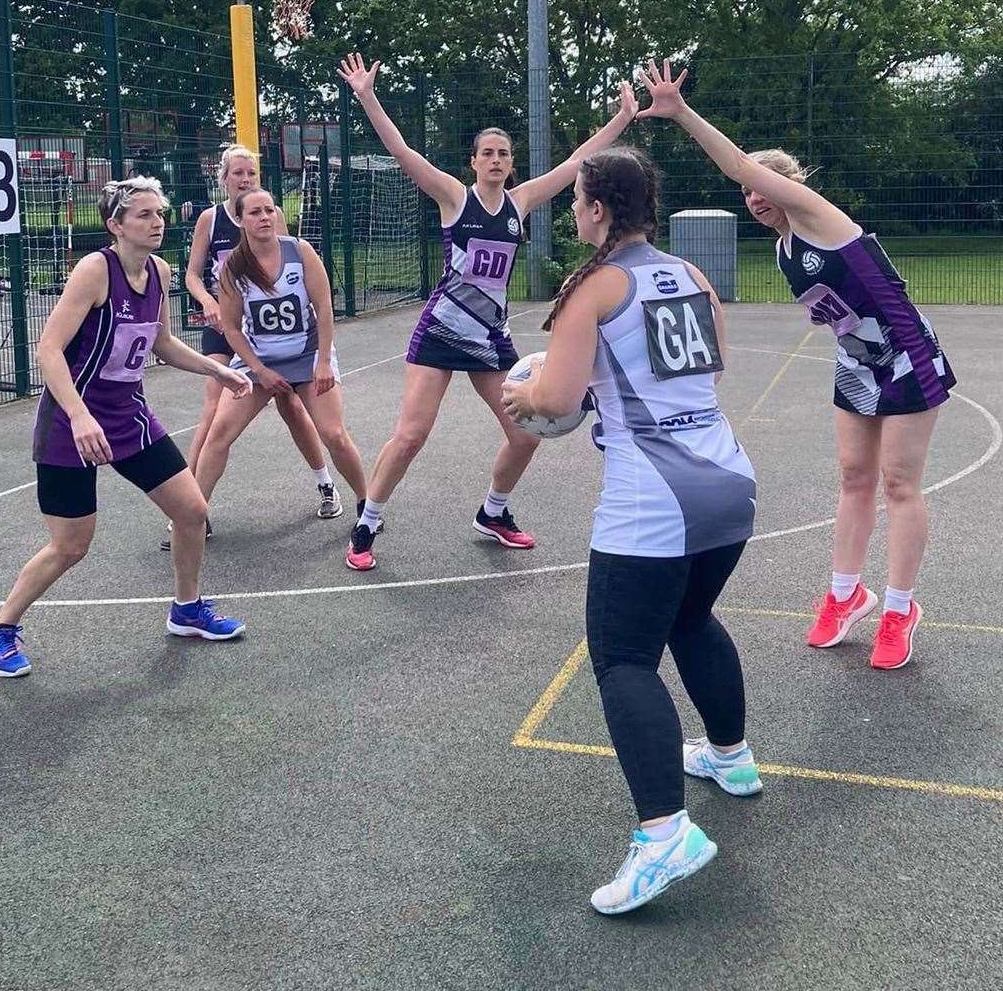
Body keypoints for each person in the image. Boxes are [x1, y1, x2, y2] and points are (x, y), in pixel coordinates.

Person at [502, 147, 761, 914]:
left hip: (656, 495)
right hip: (727, 478)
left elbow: (553, 398)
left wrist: (521, 396)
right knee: (690, 616)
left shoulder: (593, 287)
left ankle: (663, 834)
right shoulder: (691, 275)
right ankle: (731, 757)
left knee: (621, 660)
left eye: (577, 200)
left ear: (598, 209)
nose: (573, 212)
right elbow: (706, 372)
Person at [637, 59, 956, 670]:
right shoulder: (785, 246)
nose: (754, 196)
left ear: (791, 185)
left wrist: (679, 113)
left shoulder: (815, 215)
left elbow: (737, 163)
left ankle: (899, 607)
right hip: (857, 361)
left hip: (906, 354)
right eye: (748, 192)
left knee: (899, 483)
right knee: (854, 477)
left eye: (763, 185)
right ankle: (845, 595)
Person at [337, 53, 641, 571]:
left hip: (488, 337)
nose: (496, 160)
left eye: (503, 153)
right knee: (412, 432)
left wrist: (622, 119)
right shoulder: (455, 198)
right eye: (487, 153)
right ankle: (366, 524)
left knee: (526, 433)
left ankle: (493, 513)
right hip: (441, 328)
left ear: (510, 163)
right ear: (474, 162)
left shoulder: (520, 202)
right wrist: (367, 96)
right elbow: (403, 151)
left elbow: (577, 164)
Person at [0, 177, 249, 678]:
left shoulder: (161, 271)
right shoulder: (95, 271)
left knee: (191, 511)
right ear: (115, 225)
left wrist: (217, 369)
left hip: (128, 417)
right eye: (143, 215)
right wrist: (80, 416)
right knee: (71, 545)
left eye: (159, 213)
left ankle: (187, 610)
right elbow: (48, 350)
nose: (156, 222)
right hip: (70, 422)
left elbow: (161, 342)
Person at [166, 144, 337, 553]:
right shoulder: (210, 220)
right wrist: (207, 300)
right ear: (223, 177)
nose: (245, 180)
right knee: (215, 407)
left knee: (293, 408)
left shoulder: (269, 215)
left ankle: (325, 483)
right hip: (225, 323)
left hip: (271, 327)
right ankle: (192, 509)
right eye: (238, 173)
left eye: (251, 174)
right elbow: (192, 273)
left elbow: (291, 268)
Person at [192, 187, 368, 522]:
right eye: (255, 213)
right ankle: (194, 517)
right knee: (219, 432)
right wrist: (259, 370)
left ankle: (366, 504)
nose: (264, 217)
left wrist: (324, 362)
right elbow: (230, 328)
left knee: (333, 434)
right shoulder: (233, 269)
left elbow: (324, 306)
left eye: (269, 210)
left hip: (308, 352)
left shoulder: (300, 251)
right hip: (259, 360)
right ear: (241, 220)